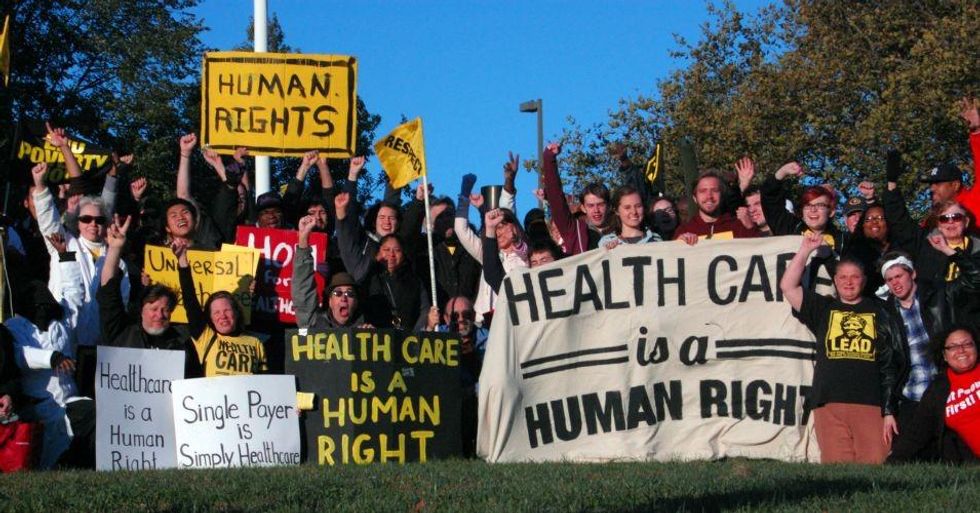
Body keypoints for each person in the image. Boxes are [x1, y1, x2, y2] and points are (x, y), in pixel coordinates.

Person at [780, 233, 903, 464]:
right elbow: (788, 286)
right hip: (830, 403)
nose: (848, 282)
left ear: (864, 280)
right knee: (838, 470)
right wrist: (805, 250)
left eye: (854, 277)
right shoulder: (823, 309)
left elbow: (889, 362)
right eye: (843, 277)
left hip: (870, 402)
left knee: (875, 464)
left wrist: (888, 409)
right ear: (835, 281)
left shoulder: (882, 312)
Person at [4, 233, 88, 469]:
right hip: (38, 405)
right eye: (37, 306)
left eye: (46, 304)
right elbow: (18, 354)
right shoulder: (15, 326)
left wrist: (65, 256)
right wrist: (51, 357)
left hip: (69, 399)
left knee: (91, 415)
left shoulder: (63, 323)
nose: (43, 309)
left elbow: (73, 294)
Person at [98, 215, 202, 378]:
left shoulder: (182, 342)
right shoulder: (122, 333)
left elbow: (194, 383)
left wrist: (182, 261)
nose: (159, 315)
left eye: (165, 310)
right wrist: (115, 249)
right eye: (153, 308)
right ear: (141, 310)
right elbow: (108, 293)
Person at [878, 252, 950, 440]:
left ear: (913, 274)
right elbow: (888, 365)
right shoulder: (886, 315)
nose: (895, 283)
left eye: (899, 276)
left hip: (946, 387)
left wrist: (952, 253)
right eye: (889, 279)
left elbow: (973, 279)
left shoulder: (939, 295)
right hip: (913, 393)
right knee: (903, 458)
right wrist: (888, 411)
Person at [174, 241, 267, 376]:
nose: (222, 316)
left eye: (227, 310)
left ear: (236, 312)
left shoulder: (256, 343)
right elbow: (190, 301)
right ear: (210, 318)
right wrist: (182, 259)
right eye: (216, 312)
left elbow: (266, 381)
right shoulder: (206, 337)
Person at [889, 325, 980, 463]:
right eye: (953, 347)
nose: (961, 350)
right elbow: (917, 432)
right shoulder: (938, 389)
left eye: (967, 344)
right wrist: (893, 459)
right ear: (944, 355)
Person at [293, 215, 367, 329]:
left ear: (356, 302)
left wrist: (371, 339)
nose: (344, 298)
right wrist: (303, 237)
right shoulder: (314, 325)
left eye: (350, 294)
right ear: (330, 301)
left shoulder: (365, 331)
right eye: (337, 293)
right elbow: (303, 291)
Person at [541, 143, 608, 254]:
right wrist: (549, 159)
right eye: (590, 205)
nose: (596, 210)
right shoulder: (574, 231)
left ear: (609, 206)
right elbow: (556, 198)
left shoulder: (622, 229)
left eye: (600, 204)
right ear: (583, 208)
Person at [675, 171, 760, 244]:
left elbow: (761, 253)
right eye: (703, 191)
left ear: (722, 195)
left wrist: (750, 228)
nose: (709, 196)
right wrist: (677, 245)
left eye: (715, 191)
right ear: (695, 198)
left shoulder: (739, 225)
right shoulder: (685, 230)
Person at [598, 185, 662, 249]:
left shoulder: (656, 239)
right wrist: (608, 251)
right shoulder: (606, 242)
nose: (634, 212)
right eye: (627, 207)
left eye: (638, 206)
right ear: (617, 211)